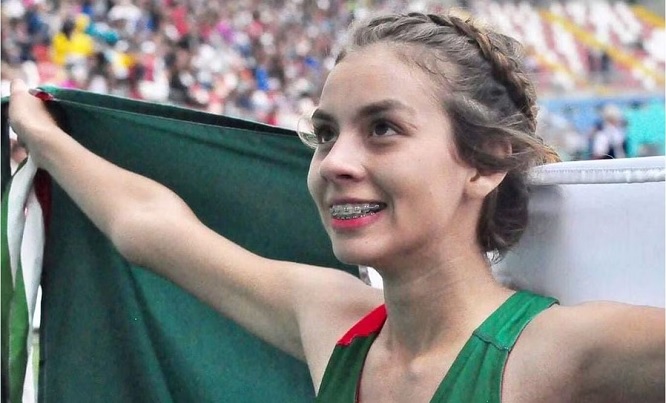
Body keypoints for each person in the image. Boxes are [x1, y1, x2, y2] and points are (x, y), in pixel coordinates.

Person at [8, 11, 664, 403]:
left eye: (382, 128)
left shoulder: (556, 350)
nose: (334, 163)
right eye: (325, 134)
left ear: (486, 161)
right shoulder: (333, 321)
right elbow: (149, 230)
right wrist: (42, 134)